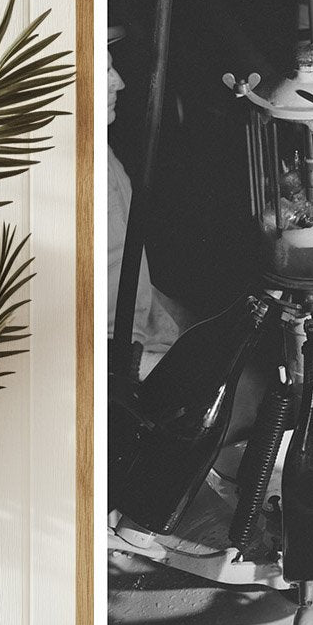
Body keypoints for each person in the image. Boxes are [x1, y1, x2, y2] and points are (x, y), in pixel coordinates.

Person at [106, 24, 182, 374]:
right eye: (105, 71)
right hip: (122, 361)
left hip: (146, 332)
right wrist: (139, 367)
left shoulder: (100, 149)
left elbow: (130, 274)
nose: (119, 82)